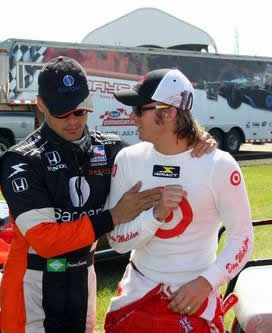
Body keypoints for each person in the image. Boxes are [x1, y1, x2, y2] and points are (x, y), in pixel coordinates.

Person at [0, 57, 216, 333]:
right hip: (32, 280)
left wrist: (195, 144)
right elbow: (46, 241)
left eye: (80, 111)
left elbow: (160, 163)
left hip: (83, 276)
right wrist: (113, 217)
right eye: (63, 113)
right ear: (41, 105)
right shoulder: (20, 160)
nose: (74, 120)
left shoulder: (110, 148)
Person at [103, 68, 254, 332]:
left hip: (193, 298)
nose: (132, 116)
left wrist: (206, 282)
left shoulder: (219, 165)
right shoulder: (128, 159)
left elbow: (242, 238)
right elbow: (116, 242)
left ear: (169, 113)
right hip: (136, 292)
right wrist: (155, 216)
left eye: (140, 109)